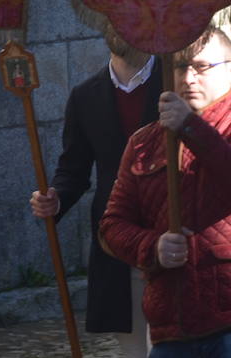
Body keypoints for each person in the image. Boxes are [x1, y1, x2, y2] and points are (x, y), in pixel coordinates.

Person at [100, 27, 231, 357]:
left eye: (201, 67)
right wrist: (152, 246)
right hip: (172, 316)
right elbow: (111, 227)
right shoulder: (143, 142)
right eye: (179, 67)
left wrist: (190, 127)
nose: (188, 78)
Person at [29, 28, 161, 358]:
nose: (121, 26)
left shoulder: (179, 83)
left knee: (170, 342)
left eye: (129, 19)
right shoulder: (86, 95)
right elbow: (74, 167)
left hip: (170, 229)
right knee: (132, 345)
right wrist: (56, 196)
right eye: (114, 18)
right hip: (115, 235)